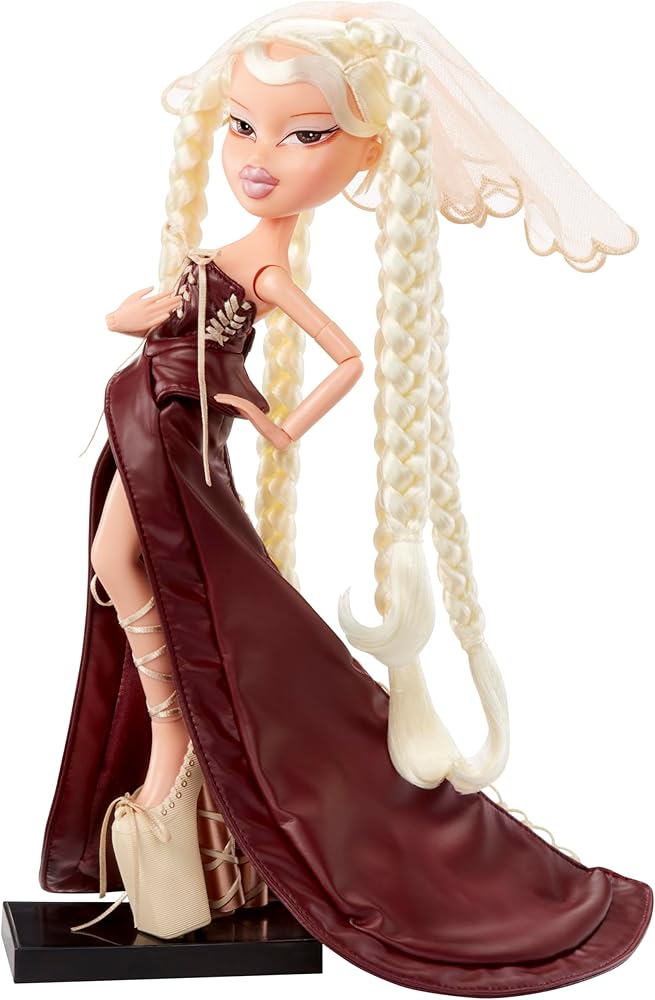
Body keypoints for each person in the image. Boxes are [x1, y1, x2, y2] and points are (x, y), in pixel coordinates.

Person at [39, 2, 652, 991]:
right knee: (115, 565)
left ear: (362, 154)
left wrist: (277, 422)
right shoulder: (229, 247)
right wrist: (135, 316)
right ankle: (174, 726)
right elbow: (145, 317)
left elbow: (347, 356)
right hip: (146, 429)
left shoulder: (266, 262)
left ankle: (173, 730)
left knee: (133, 567)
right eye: (243, 125)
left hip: (178, 442)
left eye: (304, 135)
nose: (260, 157)